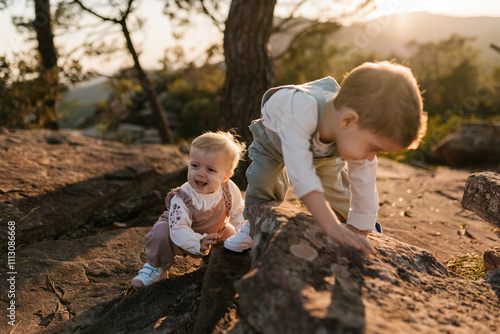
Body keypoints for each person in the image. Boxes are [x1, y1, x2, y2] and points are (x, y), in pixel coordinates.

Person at [223, 61, 427, 255]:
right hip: (273, 140)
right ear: (348, 121)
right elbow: (302, 177)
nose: (371, 156)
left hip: (324, 152)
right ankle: (253, 225)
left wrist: (359, 229)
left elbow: (364, 182)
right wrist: (330, 227)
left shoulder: (353, 130)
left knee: (337, 191)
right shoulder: (301, 110)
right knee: (264, 179)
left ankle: (347, 221)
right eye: (373, 147)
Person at [131, 131, 248, 288]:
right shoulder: (183, 197)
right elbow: (178, 229)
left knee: (231, 234)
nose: (200, 173)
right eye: (195, 166)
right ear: (188, 164)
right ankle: (156, 267)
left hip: (214, 233)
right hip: (178, 234)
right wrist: (198, 242)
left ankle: (212, 261)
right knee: (160, 232)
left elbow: (239, 212)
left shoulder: (228, 189)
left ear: (226, 176)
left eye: (211, 170)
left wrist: (245, 231)